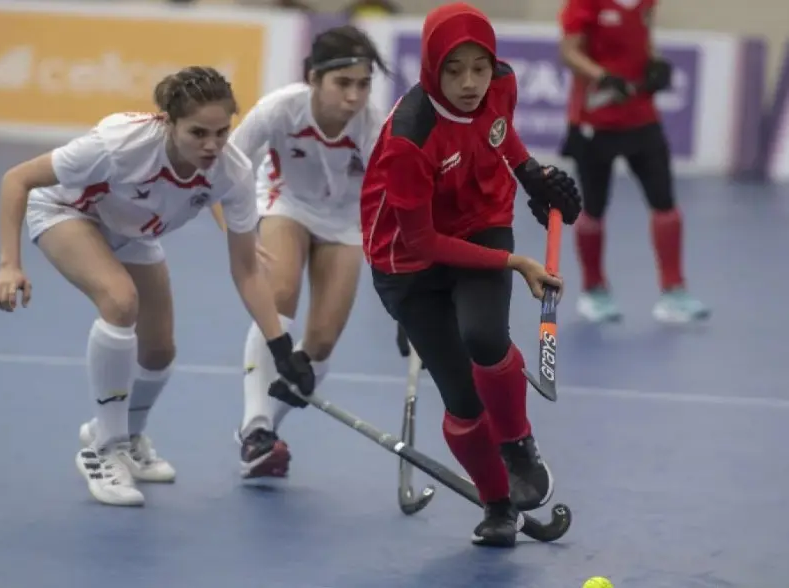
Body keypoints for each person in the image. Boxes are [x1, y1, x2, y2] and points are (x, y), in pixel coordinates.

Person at [0, 66, 315, 507]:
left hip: (136, 233)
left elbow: (248, 271)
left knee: (159, 351)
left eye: (222, 132)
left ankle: (129, 437)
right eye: (198, 132)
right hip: (70, 213)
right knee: (120, 301)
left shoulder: (232, 170)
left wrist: (281, 347)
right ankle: (102, 449)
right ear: (168, 122)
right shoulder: (121, 145)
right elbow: (18, 179)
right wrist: (10, 264)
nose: (212, 145)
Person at [357, 2, 582, 546]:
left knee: (484, 335)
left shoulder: (500, 84)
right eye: (453, 70)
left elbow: (500, 133)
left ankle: (518, 444)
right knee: (461, 397)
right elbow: (422, 241)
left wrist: (532, 177)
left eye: (479, 67)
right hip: (409, 262)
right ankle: (497, 504)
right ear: (432, 67)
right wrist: (515, 262)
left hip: (481, 222)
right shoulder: (411, 136)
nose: (469, 83)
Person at [227, 25, 387, 480]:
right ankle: (255, 425)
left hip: (346, 222)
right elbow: (228, 166)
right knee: (279, 295)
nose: (354, 96)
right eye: (343, 83)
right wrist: (237, 234)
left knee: (320, 344)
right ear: (314, 78)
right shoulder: (280, 109)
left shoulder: (374, 128)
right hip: (286, 203)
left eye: (363, 84)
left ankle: (264, 436)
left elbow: (395, 201)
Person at [558, 0, 709, 323]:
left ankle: (674, 292)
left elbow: (644, 34)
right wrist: (603, 76)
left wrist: (654, 62)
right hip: (595, 121)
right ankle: (593, 290)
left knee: (665, 202)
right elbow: (569, 52)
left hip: (642, 117)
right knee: (595, 208)